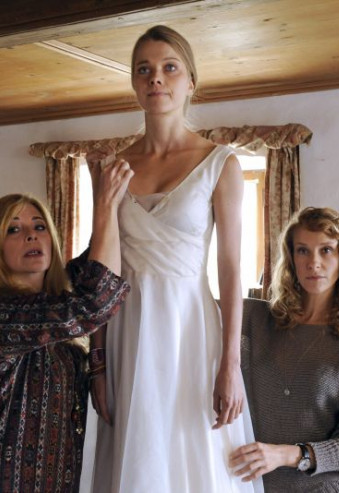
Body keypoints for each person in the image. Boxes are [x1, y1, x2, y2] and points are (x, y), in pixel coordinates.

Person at [90, 25, 262, 493]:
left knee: (194, 453)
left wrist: (230, 364)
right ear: (133, 83)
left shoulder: (221, 163)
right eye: (143, 69)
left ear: (190, 82)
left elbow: (231, 270)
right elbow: (100, 273)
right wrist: (98, 363)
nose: (156, 79)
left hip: (192, 333)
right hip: (127, 332)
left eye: (169, 68)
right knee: (138, 457)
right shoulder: (111, 167)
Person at [0, 158, 134, 492]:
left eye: (39, 226)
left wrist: (108, 200)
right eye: (14, 229)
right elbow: (95, 301)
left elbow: (92, 272)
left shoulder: (50, 305)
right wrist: (105, 205)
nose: (31, 235)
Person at [229, 207, 339, 492]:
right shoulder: (253, 319)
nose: (314, 262)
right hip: (248, 486)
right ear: (291, 259)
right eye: (303, 251)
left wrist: (286, 455)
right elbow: (186, 303)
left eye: (326, 250)